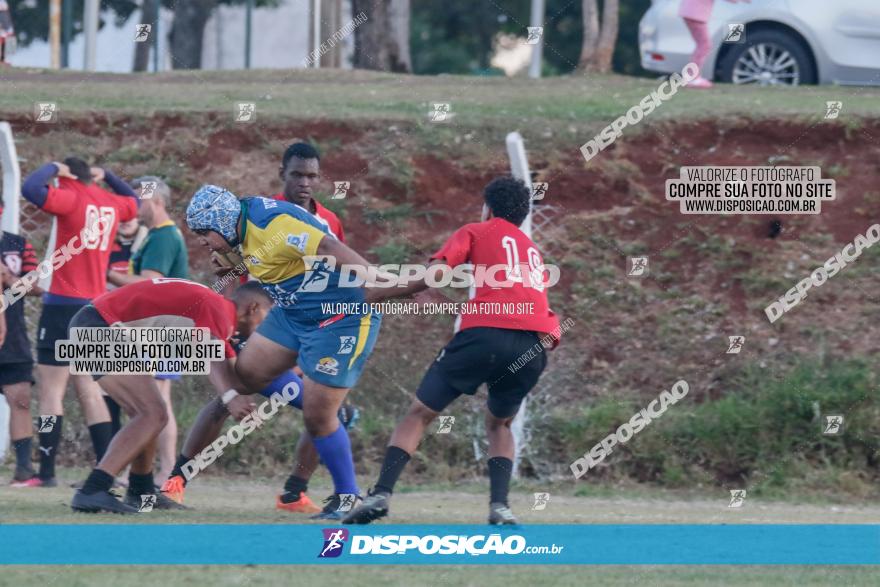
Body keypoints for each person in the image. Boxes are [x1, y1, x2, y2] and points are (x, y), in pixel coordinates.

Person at [343, 177, 562, 526]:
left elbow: (434, 276)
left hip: (485, 338)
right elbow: (506, 308)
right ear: (522, 216)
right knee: (500, 424)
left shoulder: (476, 230)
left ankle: (381, 494)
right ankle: (500, 507)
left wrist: (383, 292)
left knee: (419, 414)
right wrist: (450, 307)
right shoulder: (532, 251)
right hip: (532, 345)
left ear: (488, 207)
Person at [185, 185, 382, 519]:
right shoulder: (238, 224)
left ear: (221, 221)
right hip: (292, 313)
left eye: (204, 233)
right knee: (247, 374)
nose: (202, 241)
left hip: (339, 318)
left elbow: (329, 245)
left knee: (318, 416)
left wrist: (374, 280)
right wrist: (231, 266)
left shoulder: (270, 223)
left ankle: (349, 497)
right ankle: (323, 409)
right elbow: (254, 259)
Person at [68, 278, 255, 513]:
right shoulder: (221, 310)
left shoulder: (218, 316)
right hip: (99, 326)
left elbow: (235, 372)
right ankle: (93, 489)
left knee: (150, 415)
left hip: (95, 322)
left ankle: (140, 491)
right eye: (269, 319)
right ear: (253, 308)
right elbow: (211, 354)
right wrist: (230, 397)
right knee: (152, 414)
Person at [162, 282, 339, 514]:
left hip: (275, 347)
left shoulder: (316, 270)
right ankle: (175, 481)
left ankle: (294, 493)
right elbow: (231, 290)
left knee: (328, 411)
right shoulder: (253, 265)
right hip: (247, 338)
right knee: (227, 399)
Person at [21, 157, 138, 486]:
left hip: (61, 304)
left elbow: (31, 188)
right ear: (93, 177)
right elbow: (136, 203)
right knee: (90, 390)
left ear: (69, 178)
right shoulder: (110, 203)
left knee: (51, 393)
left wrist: (53, 168)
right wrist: (111, 174)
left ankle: (46, 474)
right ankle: (106, 470)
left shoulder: (70, 197)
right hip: (94, 308)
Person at [107, 177, 189, 482]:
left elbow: (148, 281)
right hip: (164, 326)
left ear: (157, 202)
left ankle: (164, 472)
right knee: (156, 399)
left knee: (157, 400)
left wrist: (105, 275)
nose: (134, 206)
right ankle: (156, 471)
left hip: (164, 328)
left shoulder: (163, 237)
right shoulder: (158, 235)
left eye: (139, 199)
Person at [0, 201, 43, 486]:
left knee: (21, 400)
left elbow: (36, 286)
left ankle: (24, 468)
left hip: (12, 338)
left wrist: (9, 278)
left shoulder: (17, 244)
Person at [273, 142, 345, 241]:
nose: (304, 183)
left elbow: (338, 255)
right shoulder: (263, 213)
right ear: (282, 174)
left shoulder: (330, 221)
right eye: (297, 175)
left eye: (311, 176)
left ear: (318, 177)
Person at [679, 0, 751, 89]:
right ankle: (692, 78)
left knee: (702, 45)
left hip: (691, 13)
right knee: (704, 45)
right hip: (695, 14)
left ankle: (692, 77)